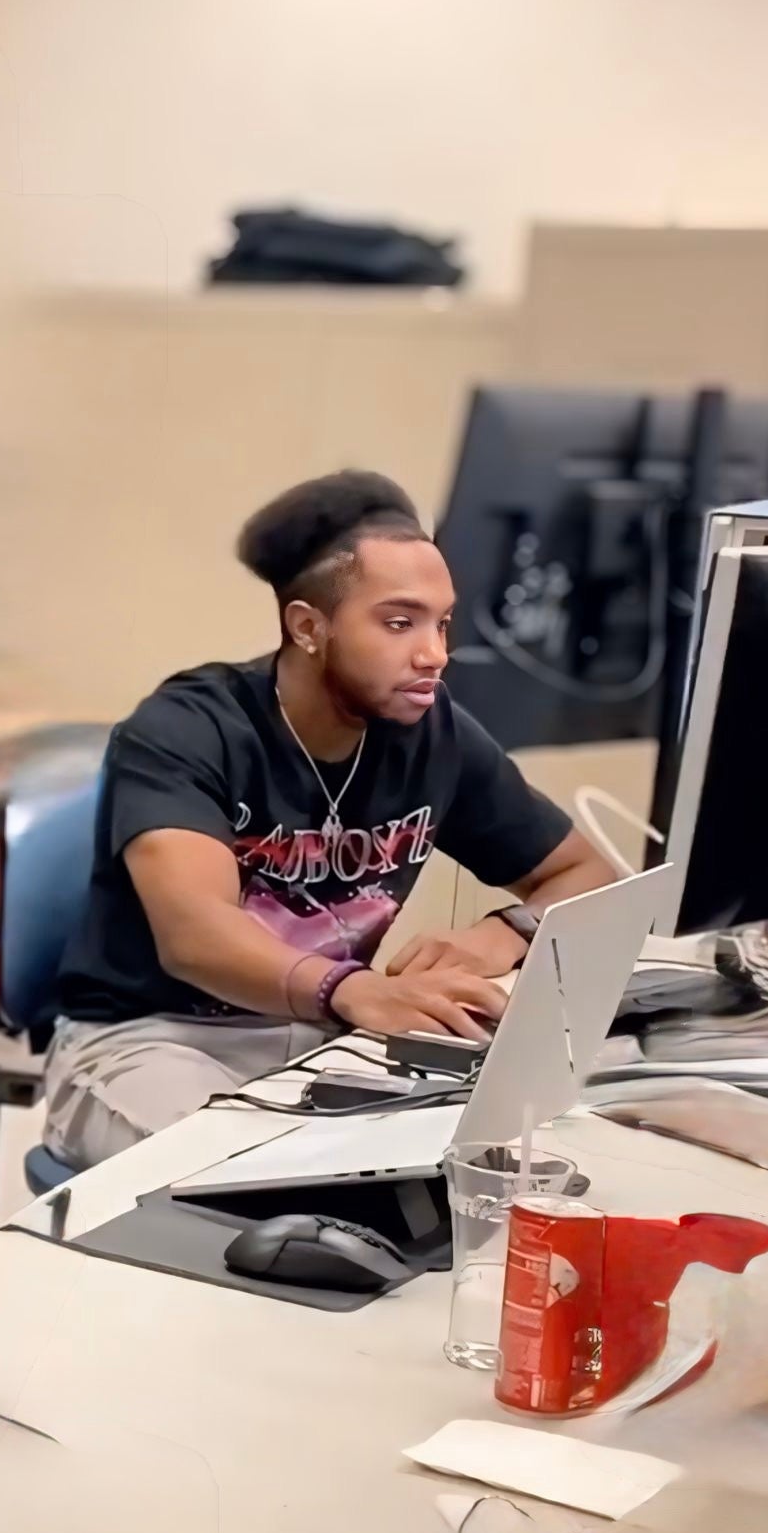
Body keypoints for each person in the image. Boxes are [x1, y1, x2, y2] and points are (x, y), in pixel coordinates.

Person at [41, 470, 624, 1166]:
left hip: (324, 1037)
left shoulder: (435, 733)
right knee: (267, 1184)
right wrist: (352, 990)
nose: (435, 653)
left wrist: (503, 933)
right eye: (399, 622)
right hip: (150, 1039)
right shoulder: (186, 729)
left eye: (441, 623)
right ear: (309, 627)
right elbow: (196, 935)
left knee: (500, 1151)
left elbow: (584, 874)